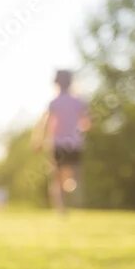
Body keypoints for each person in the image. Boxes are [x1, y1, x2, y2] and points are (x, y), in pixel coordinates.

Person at [33, 69, 90, 214]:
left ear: (56, 83)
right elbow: (87, 123)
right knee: (71, 175)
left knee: (56, 178)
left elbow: (45, 123)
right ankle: (70, 187)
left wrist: (39, 140)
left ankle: (61, 209)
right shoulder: (78, 102)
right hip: (74, 144)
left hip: (58, 144)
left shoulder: (54, 102)